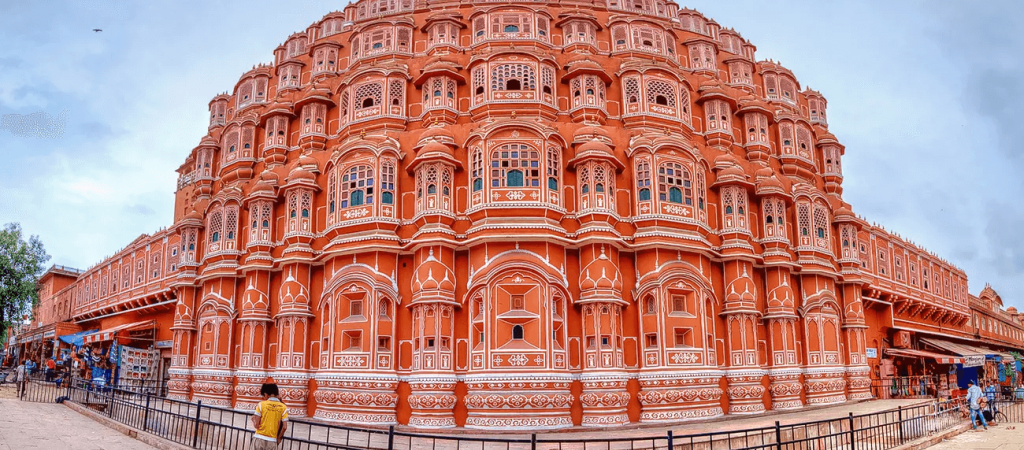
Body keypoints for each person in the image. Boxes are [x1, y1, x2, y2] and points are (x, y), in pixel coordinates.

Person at [251, 383, 288, 449]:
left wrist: (253, 419)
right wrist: (279, 438)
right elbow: (284, 427)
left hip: (259, 438)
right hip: (272, 441)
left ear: (266, 394)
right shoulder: (283, 407)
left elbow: (256, 425)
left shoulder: (261, 405)